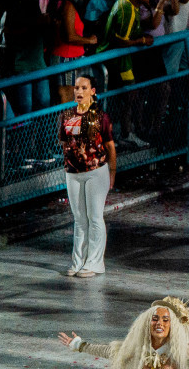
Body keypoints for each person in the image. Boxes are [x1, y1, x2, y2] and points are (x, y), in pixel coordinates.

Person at [58, 297, 189, 369]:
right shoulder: (136, 349)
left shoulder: (180, 356)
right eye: (155, 319)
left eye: (165, 320)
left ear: (172, 327)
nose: (159, 323)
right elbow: (108, 351)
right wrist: (79, 345)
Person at [60, 73, 115, 278]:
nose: (78, 91)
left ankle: (95, 262)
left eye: (83, 88)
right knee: (79, 218)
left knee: (94, 217)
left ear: (93, 91)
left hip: (95, 172)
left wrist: (112, 171)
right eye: (76, 88)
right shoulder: (66, 116)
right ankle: (78, 261)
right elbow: (64, 142)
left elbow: (110, 146)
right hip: (73, 172)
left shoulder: (101, 117)